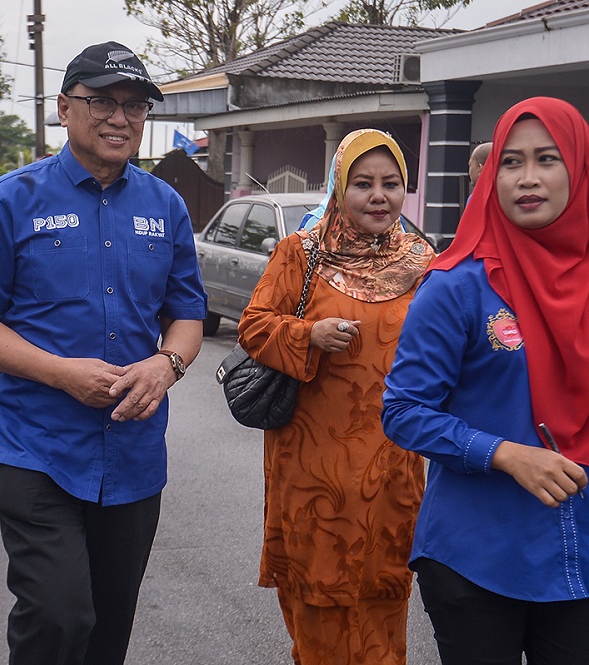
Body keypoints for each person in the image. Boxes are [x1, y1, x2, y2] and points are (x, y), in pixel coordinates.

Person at [0, 41, 207, 664]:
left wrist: (165, 364)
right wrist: (61, 374)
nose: (121, 118)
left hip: (134, 454)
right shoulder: (12, 199)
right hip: (38, 449)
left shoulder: (165, 205)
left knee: (108, 631)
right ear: (66, 108)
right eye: (103, 102)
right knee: (58, 615)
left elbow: (189, 317)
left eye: (136, 106)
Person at [382, 97, 589, 664]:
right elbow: (402, 410)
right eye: (510, 161)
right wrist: (507, 454)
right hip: (479, 557)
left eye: (547, 159)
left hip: (582, 554)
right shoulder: (456, 286)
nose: (528, 178)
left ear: (578, 166)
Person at [238, 128, 435, 665]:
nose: (379, 195)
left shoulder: (424, 263)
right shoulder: (301, 252)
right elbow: (253, 326)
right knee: (317, 590)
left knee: (385, 586)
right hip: (313, 464)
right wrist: (309, 335)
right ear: (339, 187)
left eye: (391, 184)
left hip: (394, 461)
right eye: (363, 183)